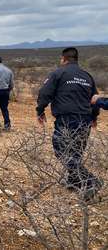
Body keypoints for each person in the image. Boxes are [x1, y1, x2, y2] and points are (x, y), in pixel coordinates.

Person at [36, 47, 102, 200]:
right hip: (85, 119)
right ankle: (74, 182)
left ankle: (91, 182)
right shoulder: (87, 76)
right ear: (76, 59)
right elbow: (95, 99)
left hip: (67, 119)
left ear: (63, 59)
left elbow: (44, 93)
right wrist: (94, 117)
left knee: (61, 150)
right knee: (76, 152)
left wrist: (40, 110)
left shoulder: (58, 73)